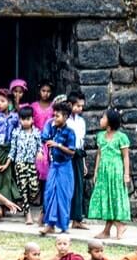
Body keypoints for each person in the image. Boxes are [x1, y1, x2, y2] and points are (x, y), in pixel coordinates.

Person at [88, 109, 131, 240]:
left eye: (103, 118)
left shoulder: (121, 137)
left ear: (110, 122)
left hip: (116, 171)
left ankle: (119, 226)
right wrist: (96, 171)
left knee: (114, 197)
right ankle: (108, 230)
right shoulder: (100, 136)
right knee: (106, 198)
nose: (100, 120)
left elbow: (125, 157)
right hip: (103, 171)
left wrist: (126, 174)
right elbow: (99, 154)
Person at [40, 101, 76, 235]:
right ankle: (50, 224)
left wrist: (58, 145)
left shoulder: (70, 132)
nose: (55, 118)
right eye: (54, 115)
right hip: (53, 166)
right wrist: (50, 123)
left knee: (63, 195)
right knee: (50, 194)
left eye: (58, 116)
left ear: (66, 116)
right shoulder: (52, 128)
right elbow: (43, 138)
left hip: (65, 167)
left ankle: (64, 226)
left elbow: (72, 152)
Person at [0, 89, 20, 218]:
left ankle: (8, 205)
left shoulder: (15, 117)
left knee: (10, 177)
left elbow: (18, 134)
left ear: (10, 102)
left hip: (11, 149)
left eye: (3, 101)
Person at [9, 106, 42, 225]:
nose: (25, 121)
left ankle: (29, 201)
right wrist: (8, 162)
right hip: (19, 163)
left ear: (32, 119)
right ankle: (27, 213)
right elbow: (13, 149)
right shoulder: (16, 132)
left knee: (33, 188)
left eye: (28, 119)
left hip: (31, 163)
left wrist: (40, 153)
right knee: (23, 188)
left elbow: (40, 146)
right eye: (22, 119)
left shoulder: (37, 132)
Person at [67, 91, 89, 230]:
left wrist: (84, 162)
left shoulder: (81, 121)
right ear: (70, 105)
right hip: (67, 155)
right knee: (69, 186)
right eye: (77, 106)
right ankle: (65, 217)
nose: (80, 109)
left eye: (81, 106)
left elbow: (82, 142)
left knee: (79, 187)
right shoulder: (65, 120)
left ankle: (77, 219)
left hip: (79, 155)